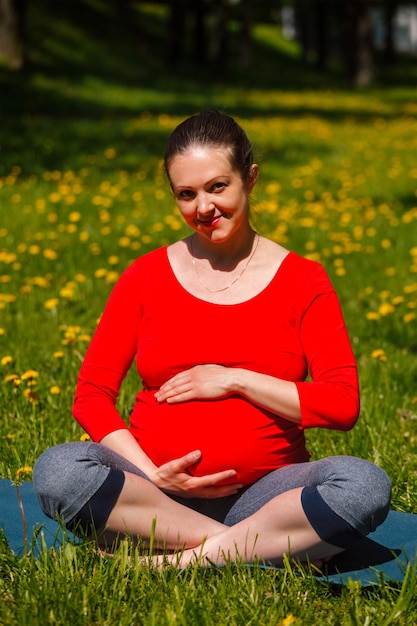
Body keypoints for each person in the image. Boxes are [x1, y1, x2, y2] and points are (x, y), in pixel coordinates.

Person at [33, 110, 391, 568]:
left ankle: (174, 561)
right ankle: (253, 548)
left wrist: (235, 379)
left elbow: (341, 405)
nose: (203, 207)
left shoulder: (304, 281)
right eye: (187, 194)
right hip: (154, 495)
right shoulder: (144, 276)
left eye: (217, 186)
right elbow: (91, 396)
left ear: (251, 178)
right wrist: (155, 476)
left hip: (266, 496)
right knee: (59, 470)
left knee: (364, 486)